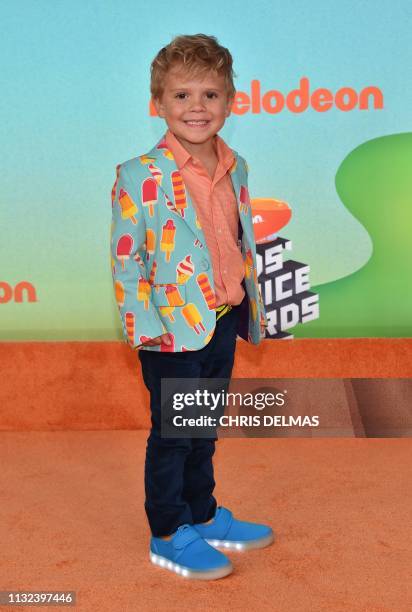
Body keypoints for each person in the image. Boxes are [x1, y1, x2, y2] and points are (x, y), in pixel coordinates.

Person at [110, 33, 273, 580]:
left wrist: (250, 305)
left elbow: (238, 239)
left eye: (209, 95)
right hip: (169, 332)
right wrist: (146, 328)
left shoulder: (238, 166)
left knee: (204, 427)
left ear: (230, 101)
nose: (196, 108)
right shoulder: (139, 175)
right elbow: (126, 262)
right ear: (158, 103)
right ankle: (167, 531)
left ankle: (201, 514)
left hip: (223, 320)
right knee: (175, 433)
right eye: (181, 96)